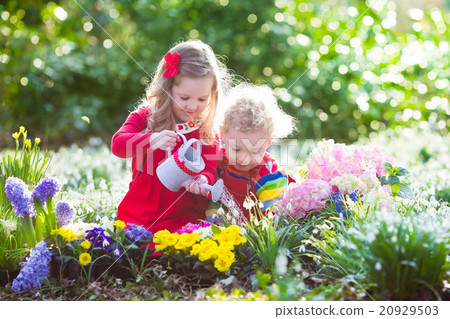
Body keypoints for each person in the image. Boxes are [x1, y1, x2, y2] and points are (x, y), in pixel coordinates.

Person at [111, 40, 230, 233]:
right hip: (141, 214)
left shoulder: (205, 128)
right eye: (185, 98)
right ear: (167, 89)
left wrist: (203, 179)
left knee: (188, 252)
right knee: (140, 248)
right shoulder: (147, 117)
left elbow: (209, 168)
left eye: (202, 99)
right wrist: (151, 140)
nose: (193, 107)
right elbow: (118, 145)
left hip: (185, 217)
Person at [215, 83, 296, 219]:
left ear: (268, 141)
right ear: (223, 134)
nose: (243, 159)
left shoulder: (269, 175)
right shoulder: (219, 160)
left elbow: (275, 217)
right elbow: (213, 198)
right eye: (236, 149)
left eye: (254, 152)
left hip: (259, 233)